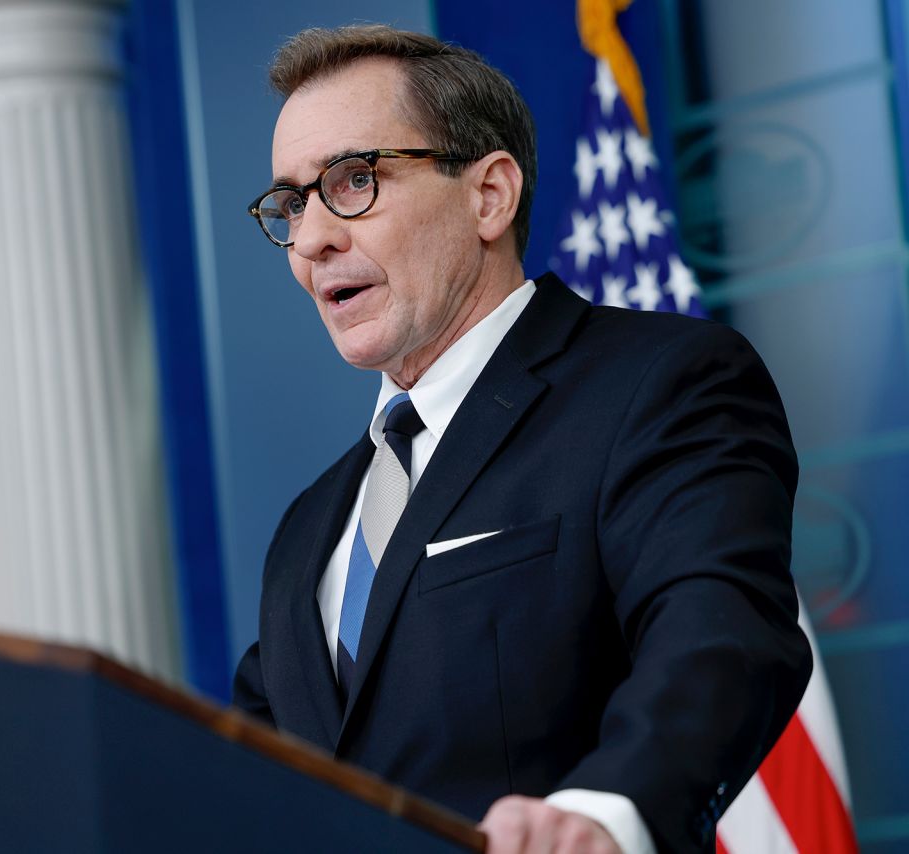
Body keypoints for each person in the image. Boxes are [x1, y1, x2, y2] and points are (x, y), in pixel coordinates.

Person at [231, 25, 812, 854]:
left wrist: (607, 814)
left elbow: (719, 630)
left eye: (353, 181)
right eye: (291, 204)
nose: (312, 240)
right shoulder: (307, 529)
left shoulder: (658, 385)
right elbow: (247, 780)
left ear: (490, 196)